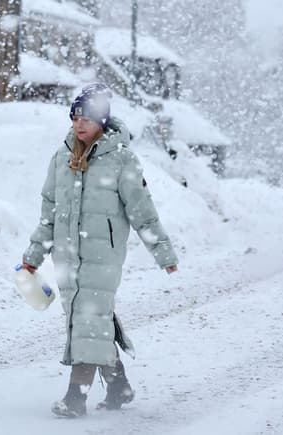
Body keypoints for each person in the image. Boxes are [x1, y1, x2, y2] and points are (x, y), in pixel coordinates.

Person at [21, 83, 178, 417]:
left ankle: (75, 398)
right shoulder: (61, 158)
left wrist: (163, 253)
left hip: (102, 257)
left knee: (89, 322)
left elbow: (142, 210)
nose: (79, 124)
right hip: (66, 257)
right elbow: (49, 213)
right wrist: (34, 255)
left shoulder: (121, 159)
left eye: (87, 118)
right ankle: (119, 386)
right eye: (75, 117)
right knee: (89, 322)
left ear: (102, 122)